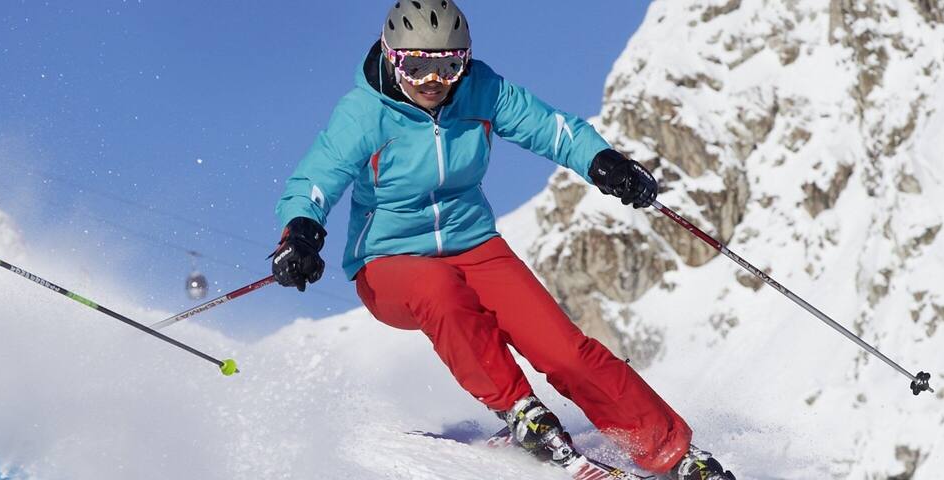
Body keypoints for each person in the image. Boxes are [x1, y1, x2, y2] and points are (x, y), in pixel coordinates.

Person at [266, 2, 735, 479]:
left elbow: (551, 129)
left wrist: (603, 162)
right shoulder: (364, 112)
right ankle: (518, 409)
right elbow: (316, 178)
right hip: (388, 261)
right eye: (417, 67)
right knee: (437, 289)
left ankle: (670, 452)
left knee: (565, 351)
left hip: (474, 246)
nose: (434, 82)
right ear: (391, 58)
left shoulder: (482, 90)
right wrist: (301, 232)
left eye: (450, 65)